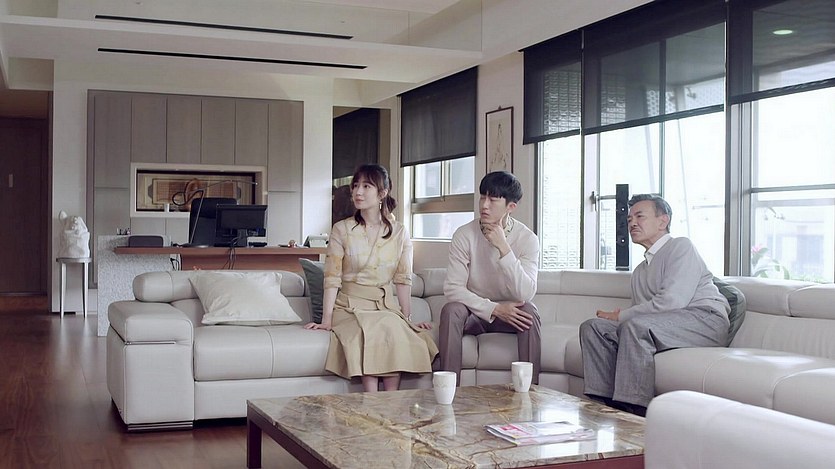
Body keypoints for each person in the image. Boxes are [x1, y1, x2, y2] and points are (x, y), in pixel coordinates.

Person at [580, 194, 730, 416]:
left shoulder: (681, 247)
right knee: (593, 327)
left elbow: (672, 302)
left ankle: (634, 412)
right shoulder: (640, 271)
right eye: (629, 219)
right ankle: (603, 407)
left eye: (640, 216)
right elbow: (644, 316)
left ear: (663, 221)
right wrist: (620, 320)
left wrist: (621, 316)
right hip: (666, 326)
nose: (632, 223)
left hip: (705, 320)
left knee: (635, 326)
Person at [304, 164, 437, 392]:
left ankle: (390, 400)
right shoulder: (341, 229)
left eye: (366, 186)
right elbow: (332, 278)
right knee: (373, 329)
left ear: (382, 193)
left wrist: (406, 318)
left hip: (385, 307)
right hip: (348, 307)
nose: (358, 192)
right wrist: (327, 320)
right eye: (356, 185)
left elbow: (403, 279)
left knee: (392, 326)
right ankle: (371, 399)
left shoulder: (399, 232)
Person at [439, 171, 541, 385]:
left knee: (529, 312)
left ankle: (530, 390)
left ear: (511, 206)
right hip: (474, 313)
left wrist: (504, 247)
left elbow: (526, 293)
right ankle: (448, 390)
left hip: (510, 316)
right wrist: (494, 309)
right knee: (451, 310)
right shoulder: (464, 234)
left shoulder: (527, 239)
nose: (484, 205)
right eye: (482, 197)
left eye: (493, 199)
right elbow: (453, 289)